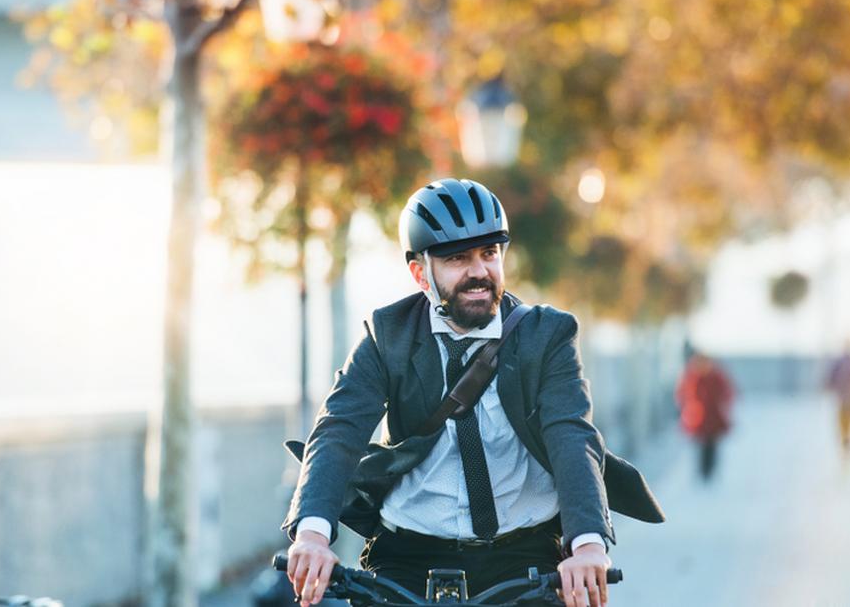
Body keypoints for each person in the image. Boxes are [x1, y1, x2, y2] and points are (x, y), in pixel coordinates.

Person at [282, 178, 661, 607]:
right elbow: (339, 430)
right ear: (420, 272)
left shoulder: (547, 335)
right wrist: (312, 535)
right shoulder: (387, 335)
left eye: (489, 253)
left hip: (523, 557)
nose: (479, 271)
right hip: (408, 556)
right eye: (458, 258)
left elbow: (571, 436)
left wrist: (588, 546)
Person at [675, 351, 735, 481]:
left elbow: (727, 393)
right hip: (697, 418)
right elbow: (682, 394)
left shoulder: (717, 377)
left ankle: (710, 470)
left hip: (713, 418)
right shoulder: (691, 377)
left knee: (712, 446)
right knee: (701, 446)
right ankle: (702, 471)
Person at [825, 341, 850, 458]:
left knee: (844, 424)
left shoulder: (840, 362)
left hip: (843, 399)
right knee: (848, 424)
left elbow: (831, 379)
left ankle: (845, 444)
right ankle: (847, 444)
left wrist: (831, 386)